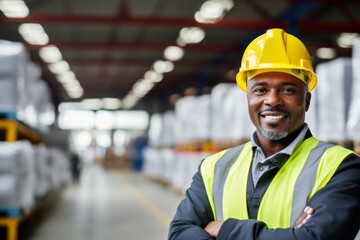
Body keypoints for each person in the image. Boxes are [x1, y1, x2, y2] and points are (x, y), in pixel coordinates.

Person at [168, 28, 360, 240]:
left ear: (306, 100)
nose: (272, 100)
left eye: (287, 90)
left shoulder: (341, 167)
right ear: (248, 99)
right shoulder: (214, 168)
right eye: (260, 90)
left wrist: (226, 230)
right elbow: (179, 233)